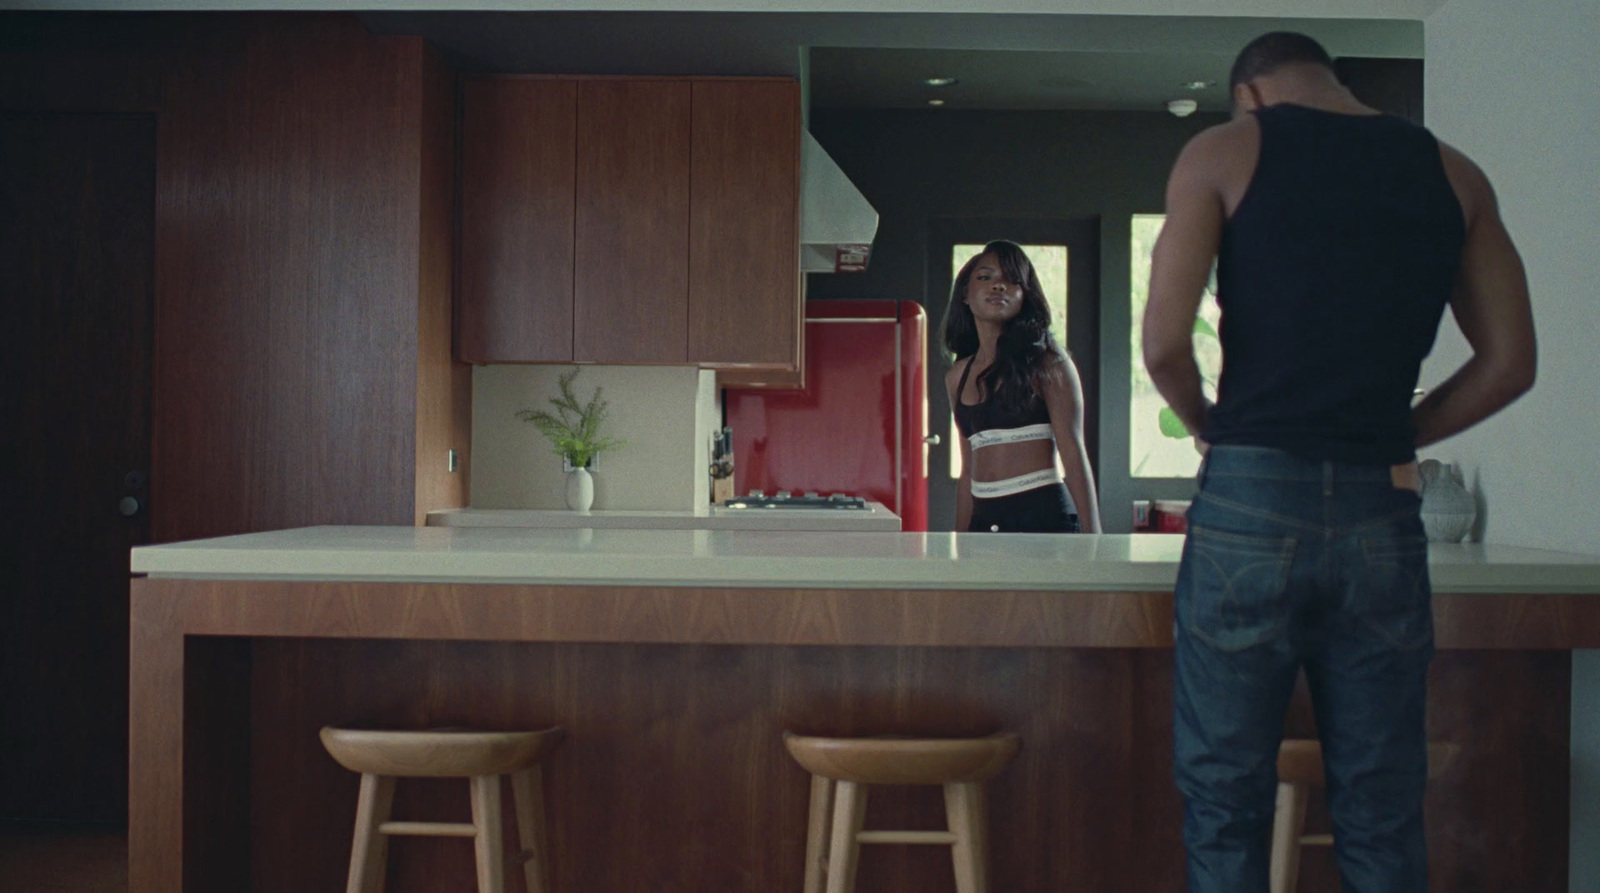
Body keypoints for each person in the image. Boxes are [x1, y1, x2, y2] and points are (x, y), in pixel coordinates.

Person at [1143, 31, 1536, 892]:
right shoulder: (1456, 173)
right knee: (1382, 805)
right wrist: (1403, 431)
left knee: (1225, 800)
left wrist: (1210, 423)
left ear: (1249, 92)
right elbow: (1512, 363)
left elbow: (1165, 345)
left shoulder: (1224, 151)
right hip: (1380, 511)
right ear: (1333, 80)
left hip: (1248, 502)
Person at [943, 240, 1102, 533]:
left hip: (1044, 519)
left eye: (1012, 280)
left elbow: (1074, 455)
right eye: (985, 277)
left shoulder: (1049, 364)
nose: (999, 286)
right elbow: (968, 473)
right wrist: (959, 545)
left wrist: (1096, 544)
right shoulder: (957, 377)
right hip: (984, 521)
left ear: (1024, 295)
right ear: (965, 294)